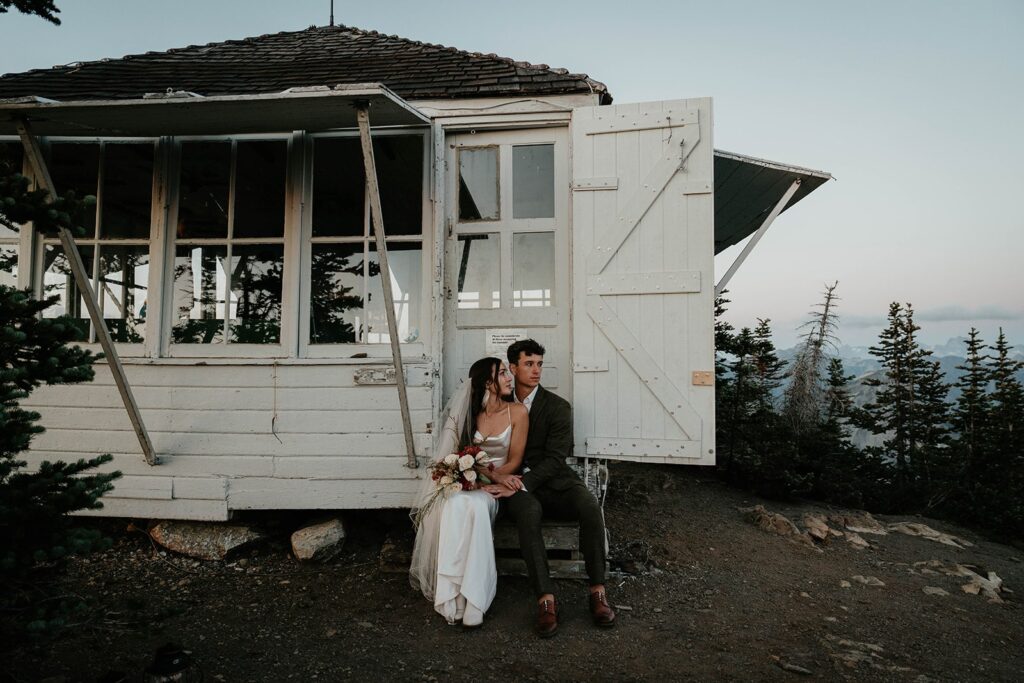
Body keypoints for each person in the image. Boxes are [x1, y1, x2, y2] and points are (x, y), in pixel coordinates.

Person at [497, 338, 616, 638]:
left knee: (589, 506)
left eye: (539, 364)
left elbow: (555, 458)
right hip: (520, 489)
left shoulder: (558, 407)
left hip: (554, 482)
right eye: (528, 364)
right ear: (512, 367)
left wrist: (522, 484)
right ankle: (546, 599)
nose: (536, 370)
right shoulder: (501, 406)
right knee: (529, 513)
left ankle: (598, 592)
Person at [409, 357, 528, 628]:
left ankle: (475, 597)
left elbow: (514, 462)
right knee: (454, 504)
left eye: (508, 373)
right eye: (503, 374)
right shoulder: (470, 416)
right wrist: (469, 477)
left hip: (492, 489)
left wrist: (491, 479)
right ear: (488, 382)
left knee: (474, 506)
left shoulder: (518, 413)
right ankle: (454, 591)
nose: (510, 377)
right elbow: (455, 456)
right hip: (471, 484)